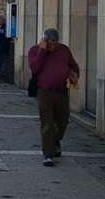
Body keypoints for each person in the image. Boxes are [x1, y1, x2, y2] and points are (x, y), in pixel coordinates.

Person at [28, 28, 80, 166]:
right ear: (45, 41)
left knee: (63, 121)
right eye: (51, 43)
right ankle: (48, 154)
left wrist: (74, 75)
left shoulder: (64, 50)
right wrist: (42, 51)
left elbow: (73, 65)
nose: (54, 46)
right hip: (44, 92)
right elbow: (34, 68)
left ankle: (55, 140)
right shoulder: (35, 50)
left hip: (62, 91)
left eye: (56, 42)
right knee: (47, 123)